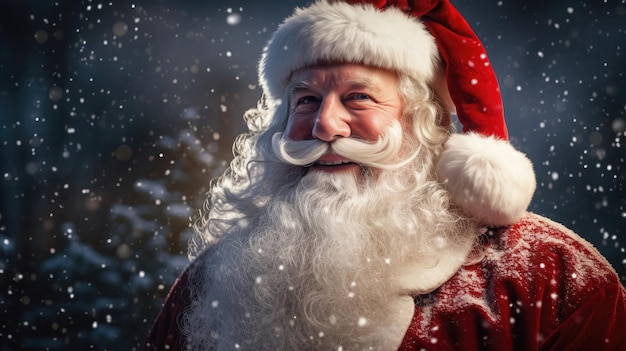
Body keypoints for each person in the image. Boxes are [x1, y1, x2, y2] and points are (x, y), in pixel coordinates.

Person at [143, 0, 626, 350]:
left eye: (359, 98)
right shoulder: (214, 280)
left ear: (423, 121)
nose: (325, 125)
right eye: (306, 99)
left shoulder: (553, 278)